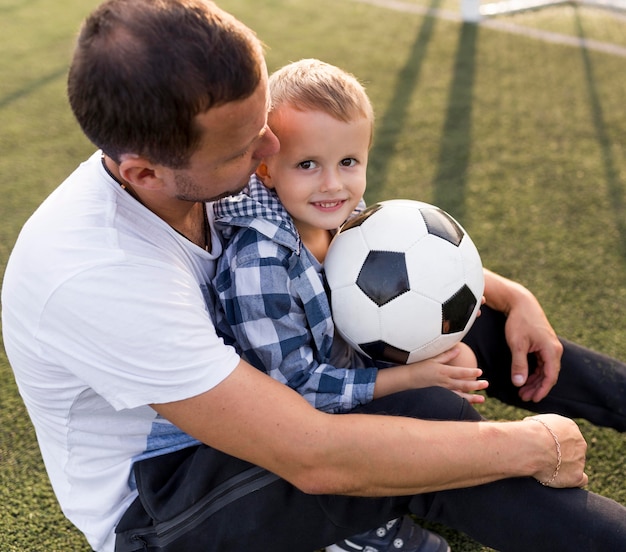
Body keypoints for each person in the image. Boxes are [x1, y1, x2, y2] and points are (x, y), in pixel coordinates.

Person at [2, 1, 626, 552]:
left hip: (274, 394)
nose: (270, 151)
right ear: (143, 174)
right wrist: (532, 446)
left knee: (444, 320)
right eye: (245, 148)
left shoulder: (207, 157)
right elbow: (315, 455)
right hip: (168, 498)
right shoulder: (97, 275)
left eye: (263, 123)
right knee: (424, 416)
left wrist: (511, 296)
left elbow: (367, 253)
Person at [212, 58, 484, 552]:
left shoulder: (349, 219)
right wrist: (410, 377)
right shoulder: (260, 261)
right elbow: (296, 390)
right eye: (308, 164)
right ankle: (353, 527)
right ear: (266, 168)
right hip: (297, 420)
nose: (333, 185)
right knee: (436, 398)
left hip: (347, 368)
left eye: (349, 162)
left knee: (457, 363)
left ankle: (425, 481)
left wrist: (445, 312)